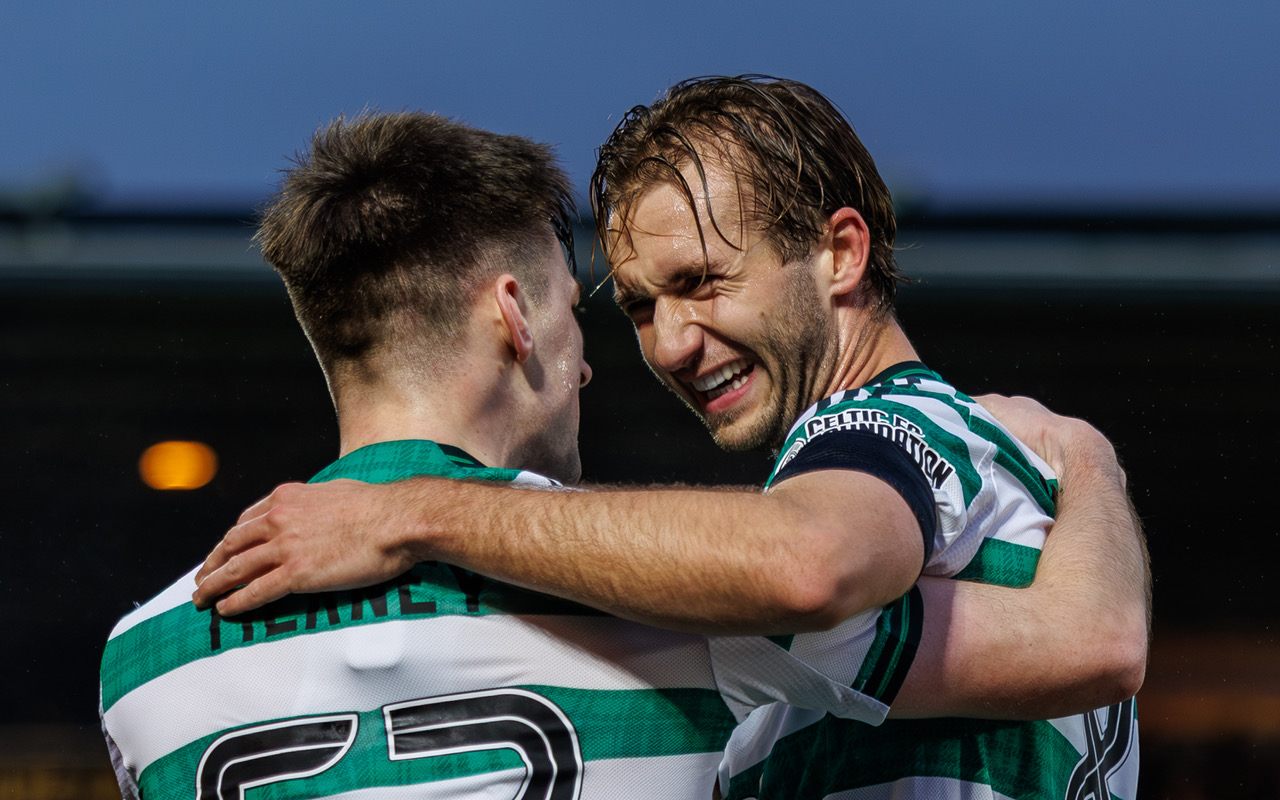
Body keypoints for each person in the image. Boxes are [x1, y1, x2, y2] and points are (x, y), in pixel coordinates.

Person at [102, 110, 1135, 800]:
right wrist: (1090, 467)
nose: (633, 356)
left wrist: (405, 508)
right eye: (607, 311)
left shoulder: (138, 665)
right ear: (514, 315)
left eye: (699, 283)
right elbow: (1080, 638)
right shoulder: (679, 601)